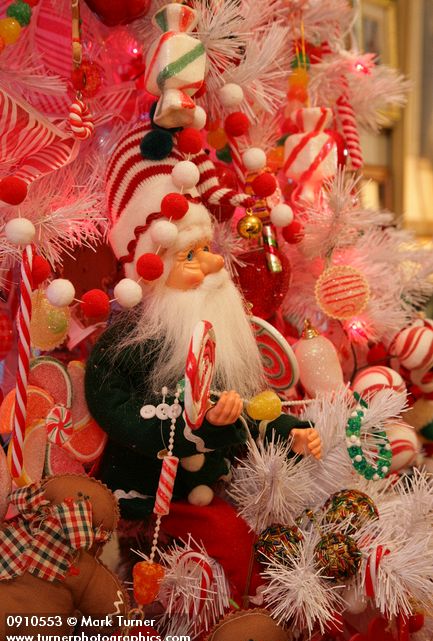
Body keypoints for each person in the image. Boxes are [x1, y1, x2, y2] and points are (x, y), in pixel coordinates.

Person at [85, 121, 321, 600]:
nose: (215, 265)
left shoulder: (222, 330)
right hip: (148, 502)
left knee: (251, 546)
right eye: (192, 256)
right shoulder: (128, 342)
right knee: (227, 546)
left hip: (212, 487)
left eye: (208, 249)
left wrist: (287, 431)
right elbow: (114, 409)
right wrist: (191, 420)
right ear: (152, 273)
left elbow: (252, 409)